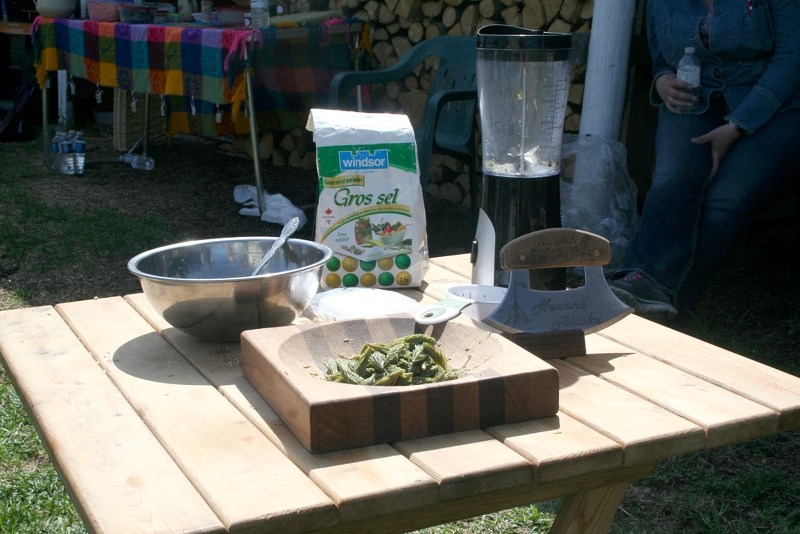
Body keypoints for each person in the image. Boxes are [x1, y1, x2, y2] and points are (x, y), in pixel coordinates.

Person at [608, 0, 800, 323]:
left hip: (774, 105)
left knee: (725, 202)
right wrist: (662, 81)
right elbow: (662, 60)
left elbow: (793, 61)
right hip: (697, 99)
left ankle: (666, 313)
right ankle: (644, 281)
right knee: (672, 178)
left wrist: (736, 126)